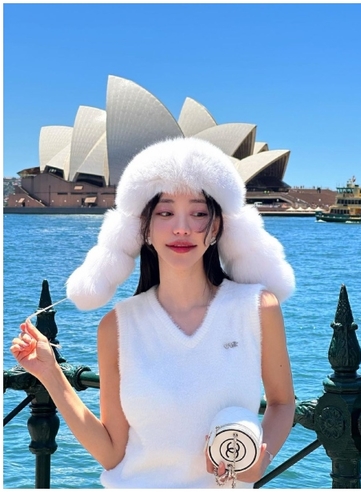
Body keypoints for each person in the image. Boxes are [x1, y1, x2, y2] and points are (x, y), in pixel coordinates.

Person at [10, 138, 296, 487]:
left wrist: (262, 459)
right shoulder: (117, 326)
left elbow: (282, 404)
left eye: (199, 213)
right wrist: (51, 375)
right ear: (143, 228)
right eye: (165, 212)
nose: (182, 228)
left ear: (217, 226)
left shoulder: (257, 308)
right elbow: (113, 452)